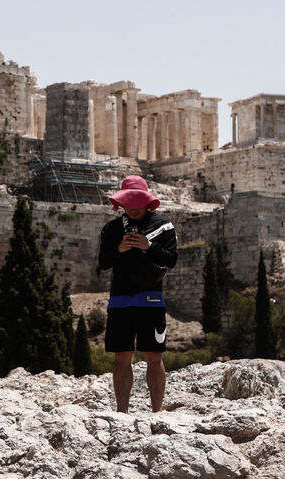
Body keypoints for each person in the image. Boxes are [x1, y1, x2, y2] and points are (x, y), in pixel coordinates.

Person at [98, 176, 177, 413]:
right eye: (127, 203)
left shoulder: (164, 227)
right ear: (120, 204)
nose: (132, 208)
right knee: (121, 356)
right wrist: (120, 249)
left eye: (137, 203)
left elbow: (171, 258)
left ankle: (157, 412)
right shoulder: (111, 229)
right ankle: (122, 412)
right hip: (120, 299)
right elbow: (103, 263)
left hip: (151, 299)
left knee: (154, 356)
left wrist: (148, 246)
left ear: (147, 203)